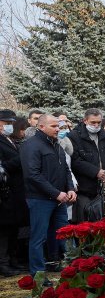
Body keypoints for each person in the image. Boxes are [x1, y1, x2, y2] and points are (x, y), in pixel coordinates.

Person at [20, 113, 77, 275]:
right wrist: (56, 192)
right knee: (39, 237)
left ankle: (69, 267)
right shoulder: (31, 145)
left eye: (58, 125)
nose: (57, 128)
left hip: (60, 198)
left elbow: (65, 169)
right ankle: (38, 274)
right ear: (41, 126)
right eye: (53, 126)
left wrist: (70, 188)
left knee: (63, 233)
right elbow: (32, 174)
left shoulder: (56, 144)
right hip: (40, 199)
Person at [67, 108, 105, 221]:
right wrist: (96, 172)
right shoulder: (74, 136)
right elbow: (75, 161)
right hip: (85, 189)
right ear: (85, 121)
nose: (96, 125)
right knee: (86, 222)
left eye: (99, 122)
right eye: (93, 122)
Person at [0, 110, 29, 275]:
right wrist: (20, 159)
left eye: (11, 123)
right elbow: (3, 165)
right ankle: (3, 263)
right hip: (5, 192)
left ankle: (13, 260)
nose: (9, 126)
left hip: (16, 191)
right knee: (4, 230)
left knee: (13, 228)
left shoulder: (9, 139)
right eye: (6, 123)